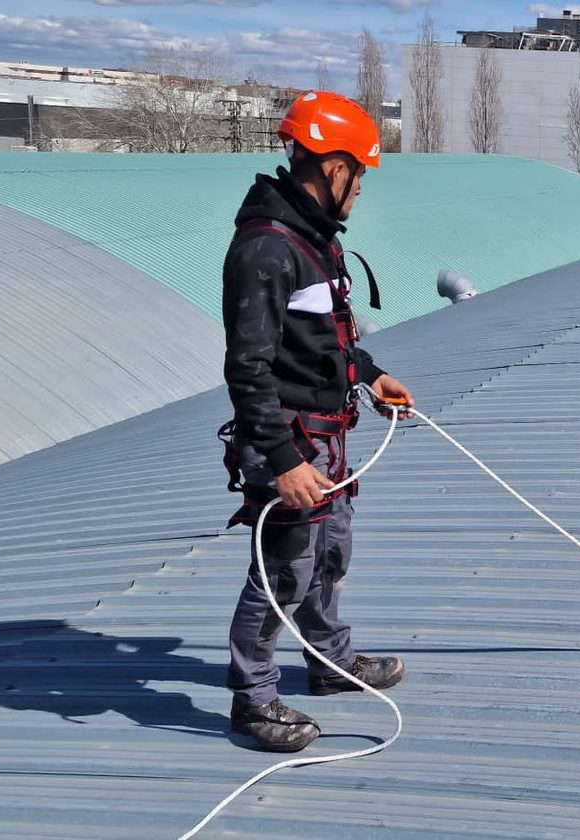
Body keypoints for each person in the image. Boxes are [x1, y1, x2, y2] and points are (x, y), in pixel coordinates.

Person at [220, 91, 413, 752]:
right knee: (284, 569)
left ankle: (330, 663)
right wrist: (282, 459)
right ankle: (253, 699)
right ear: (335, 168)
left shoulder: (312, 240)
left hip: (324, 435)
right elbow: (247, 368)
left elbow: (322, 339)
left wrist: (370, 374)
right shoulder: (267, 250)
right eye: (360, 175)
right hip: (289, 440)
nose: (361, 189)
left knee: (329, 552)